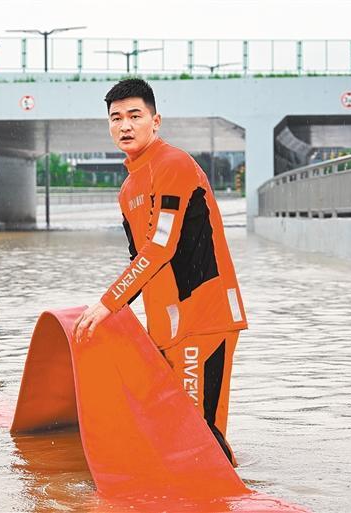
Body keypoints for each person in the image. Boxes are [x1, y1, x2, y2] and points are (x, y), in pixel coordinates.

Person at [72, 78, 248, 464]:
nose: (125, 125)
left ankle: (233, 492)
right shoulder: (127, 189)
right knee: (174, 431)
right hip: (166, 327)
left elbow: (160, 247)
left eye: (135, 115)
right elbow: (139, 258)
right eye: (116, 118)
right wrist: (115, 314)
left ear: (156, 121)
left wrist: (108, 303)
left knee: (200, 433)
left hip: (204, 316)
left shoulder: (173, 164)